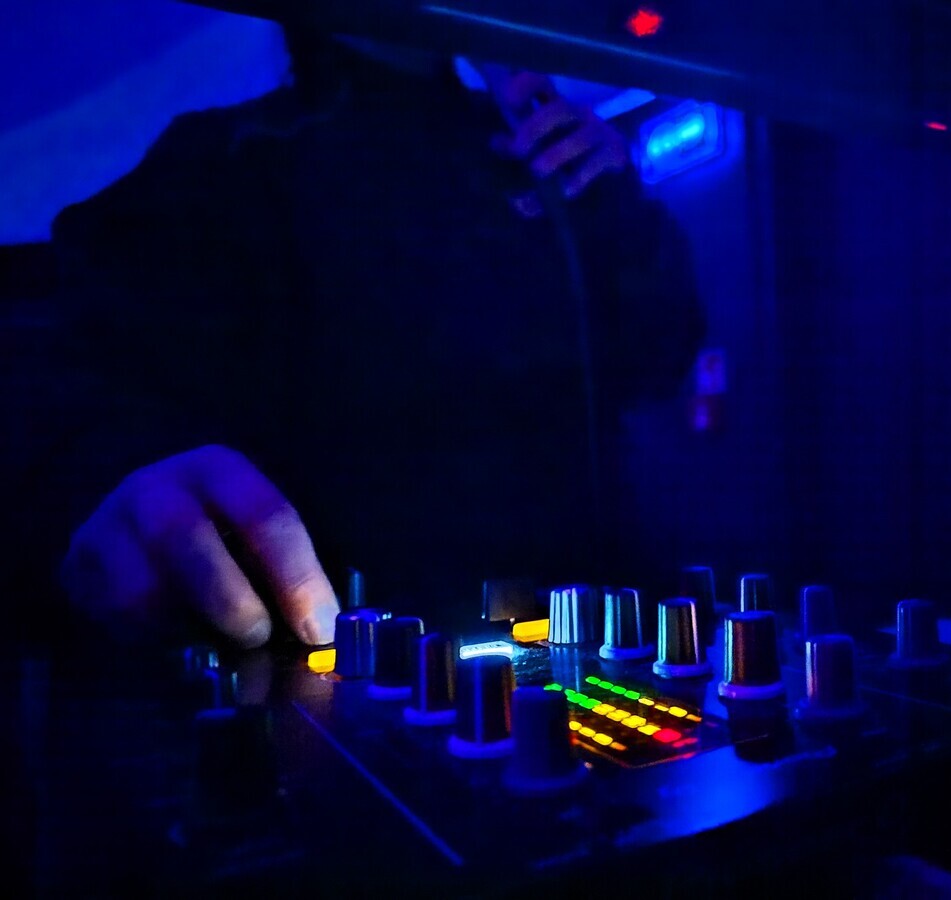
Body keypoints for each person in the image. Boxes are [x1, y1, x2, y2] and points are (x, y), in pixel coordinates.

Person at [21, 24, 704, 652]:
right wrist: (115, 476)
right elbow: (78, 378)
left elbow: (660, 356)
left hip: (598, 628)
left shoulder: (540, 151)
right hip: (358, 643)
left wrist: (620, 209)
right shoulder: (234, 158)